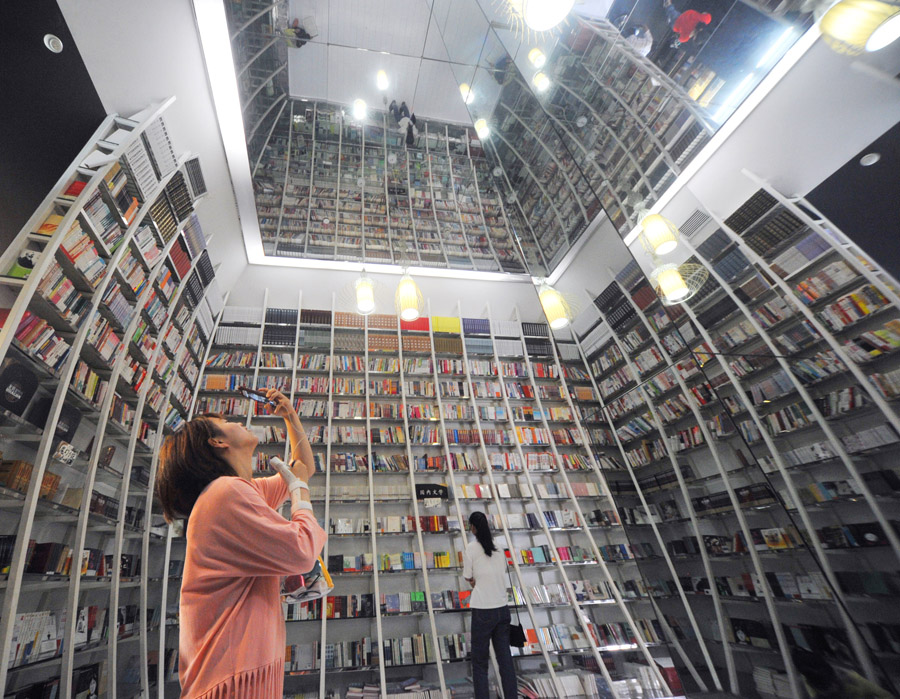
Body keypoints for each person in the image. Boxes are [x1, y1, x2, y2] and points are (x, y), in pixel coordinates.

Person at [156, 389, 326, 699]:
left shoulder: (237, 490)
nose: (234, 420)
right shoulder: (225, 493)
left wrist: (290, 416)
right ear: (218, 442)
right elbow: (303, 550)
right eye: (223, 420)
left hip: (240, 670)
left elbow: (303, 469)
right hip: (231, 677)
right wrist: (300, 495)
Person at [463, 511, 517, 699]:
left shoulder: (471, 548)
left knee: (479, 664)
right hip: (502, 609)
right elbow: (500, 572)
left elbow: (468, 576)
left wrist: (475, 582)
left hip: (482, 611)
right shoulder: (500, 548)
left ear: (473, 528)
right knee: (505, 661)